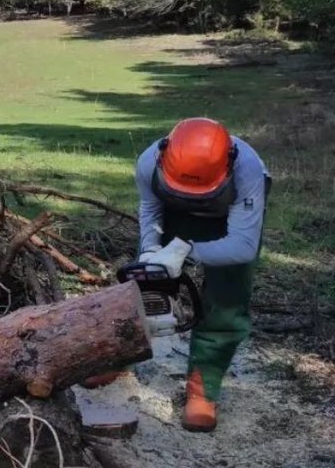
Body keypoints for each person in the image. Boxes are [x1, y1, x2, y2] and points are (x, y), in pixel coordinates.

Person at [85, 117, 270, 433]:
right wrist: (149, 250)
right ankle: (118, 358)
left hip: (228, 222)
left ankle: (203, 388)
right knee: (144, 288)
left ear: (229, 166)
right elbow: (150, 210)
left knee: (226, 300)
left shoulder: (248, 171)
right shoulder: (149, 163)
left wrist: (186, 251)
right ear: (164, 157)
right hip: (174, 211)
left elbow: (243, 247)